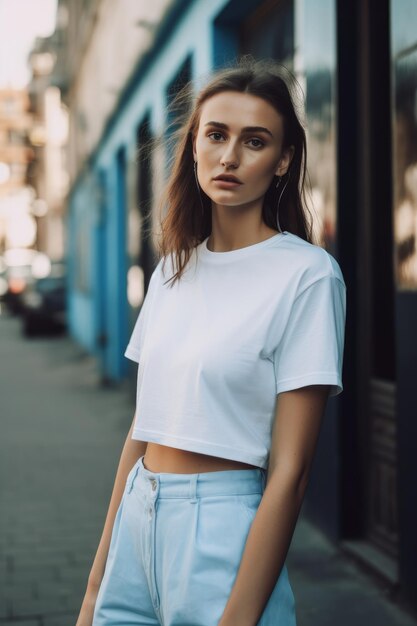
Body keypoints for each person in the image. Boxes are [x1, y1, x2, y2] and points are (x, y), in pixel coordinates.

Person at [76, 56, 346, 626]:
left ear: (283, 161)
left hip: (222, 531)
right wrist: (96, 586)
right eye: (216, 135)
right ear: (194, 147)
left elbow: (291, 473)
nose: (229, 156)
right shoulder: (171, 271)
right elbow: (140, 431)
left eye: (255, 141)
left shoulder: (306, 275)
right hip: (137, 517)